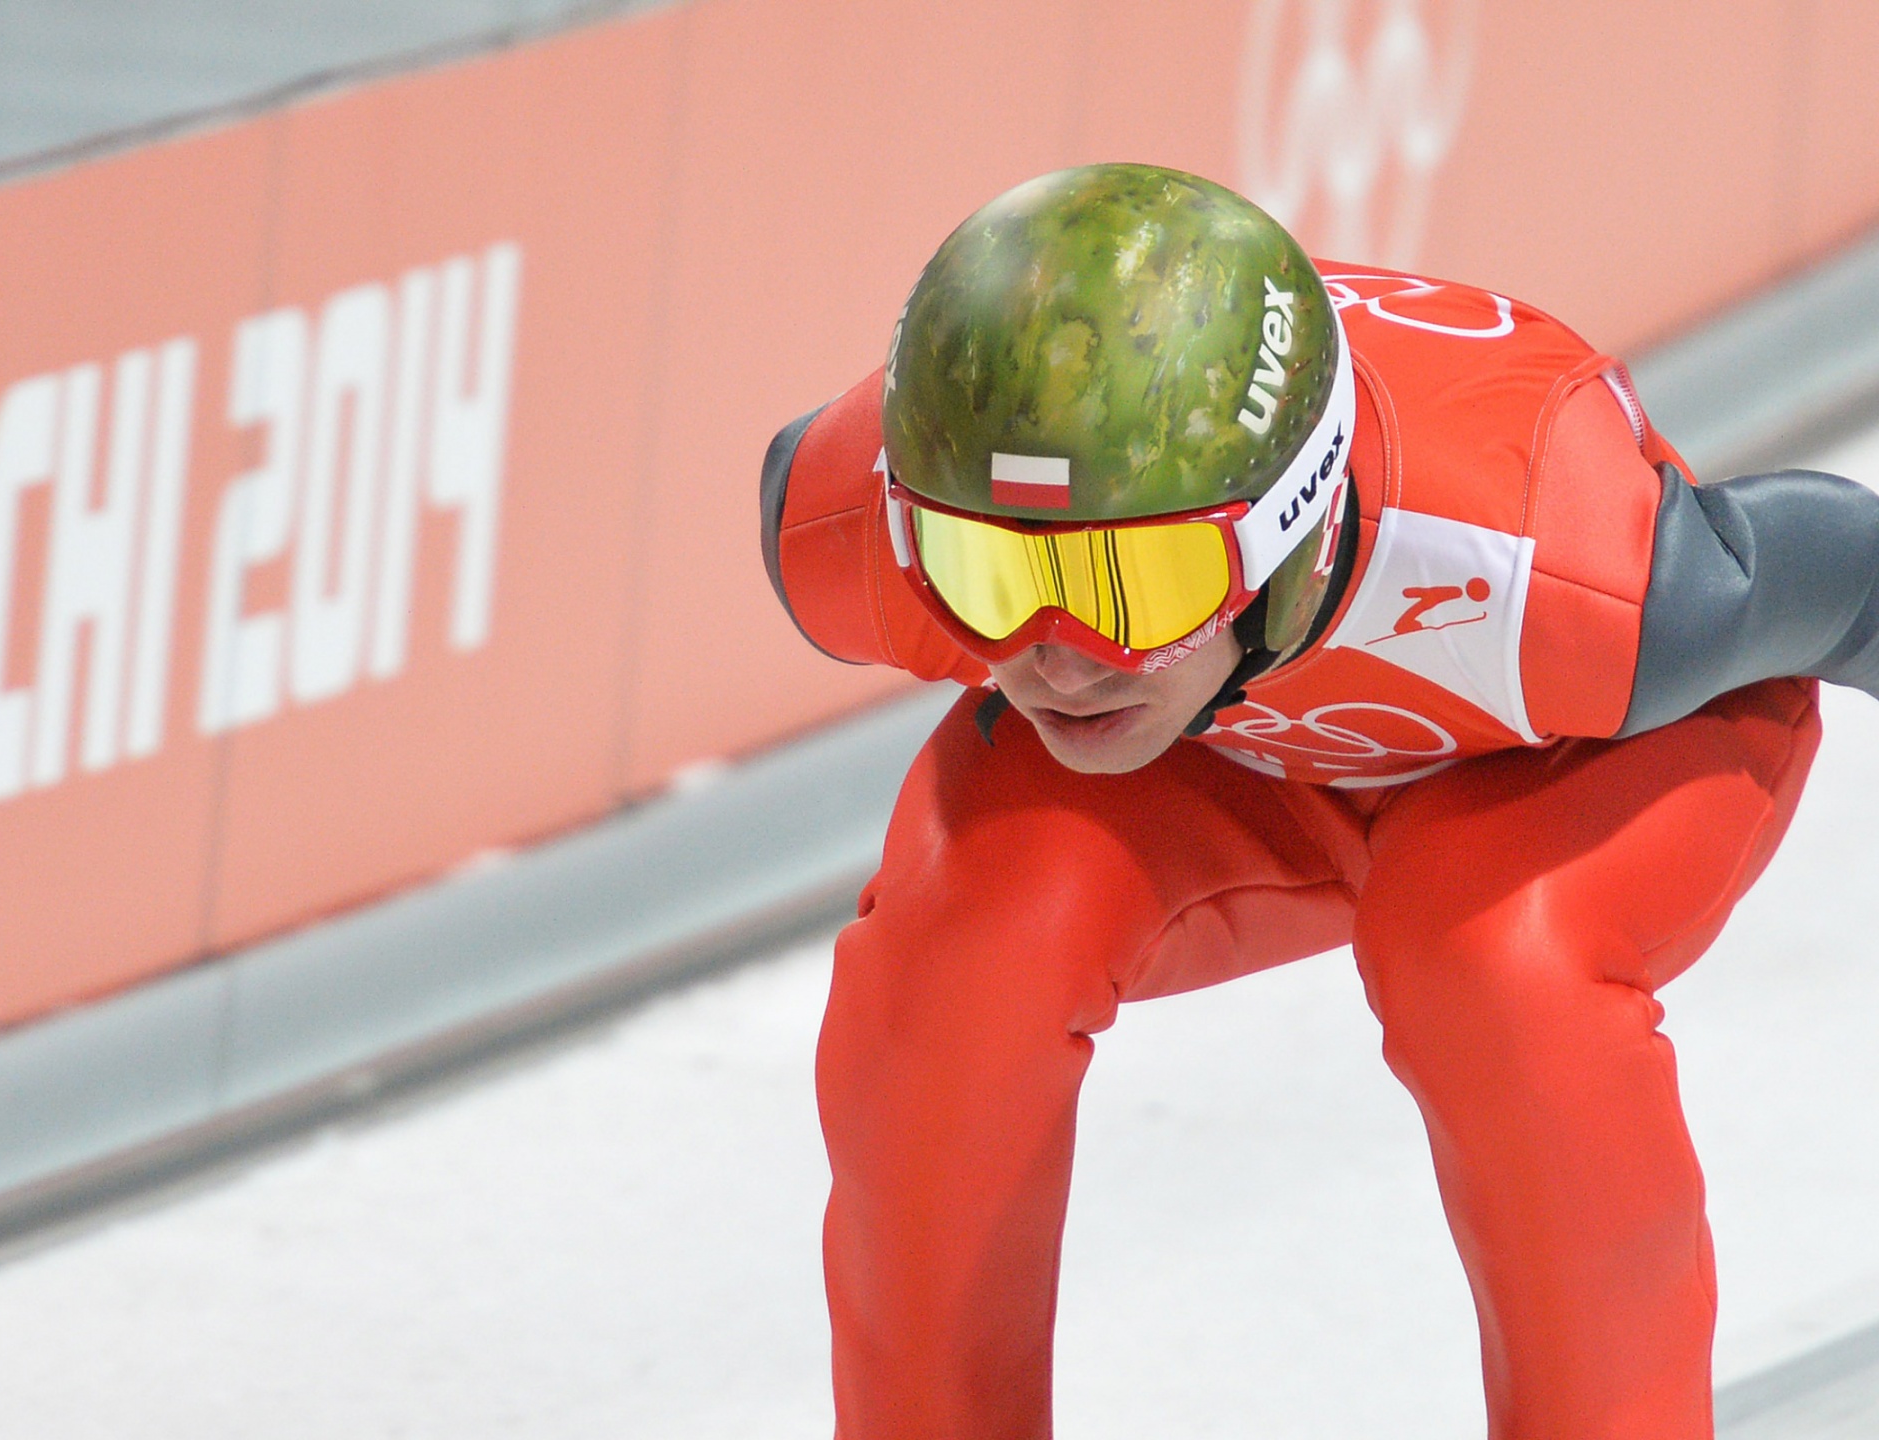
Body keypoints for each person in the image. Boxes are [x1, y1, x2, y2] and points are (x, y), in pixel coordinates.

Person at [758, 162, 1879, 1440]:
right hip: (1227, 742)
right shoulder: (851, 534)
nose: (1054, 654)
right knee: (962, 943)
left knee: (1487, 959)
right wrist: (1124, 608)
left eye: (1134, 580)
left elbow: (1848, 576)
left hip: (1578, 753)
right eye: (985, 572)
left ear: (1290, 530)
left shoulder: (1561, 577)